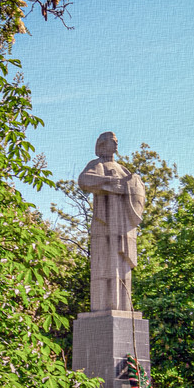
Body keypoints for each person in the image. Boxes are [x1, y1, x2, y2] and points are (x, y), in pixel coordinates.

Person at [78, 132, 145, 312]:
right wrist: (109, 181)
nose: (116, 144)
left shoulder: (124, 170)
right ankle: (103, 307)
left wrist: (126, 185)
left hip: (123, 227)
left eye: (117, 141)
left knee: (122, 268)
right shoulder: (96, 165)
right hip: (104, 224)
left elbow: (136, 192)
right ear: (102, 145)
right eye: (112, 142)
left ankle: (123, 307)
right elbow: (84, 180)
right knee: (103, 264)